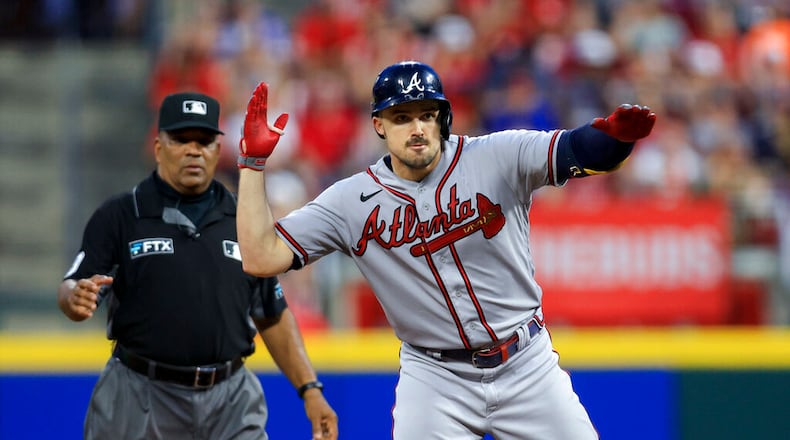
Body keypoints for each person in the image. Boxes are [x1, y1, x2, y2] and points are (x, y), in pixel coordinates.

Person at [235, 61, 657, 439]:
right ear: (379, 125)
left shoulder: (496, 155)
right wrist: (253, 166)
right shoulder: (350, 201)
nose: (417, 128)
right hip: (435, 377)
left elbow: (578, 149)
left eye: (426, 115)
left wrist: (616, 140)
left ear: (443, 118)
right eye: (401, 117)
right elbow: (259, 257)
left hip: (526, 363)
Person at [57, 92, 338, 440]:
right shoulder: (121, 214)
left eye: (204, 141)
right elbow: (74, 286)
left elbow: (271, 311)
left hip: (230, 397)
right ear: (159, 147)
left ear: (218, 151)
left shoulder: (245, 219)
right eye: (182, 139)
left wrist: (310, 389)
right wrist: (73, 297)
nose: (194, 150)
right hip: (141, 392)